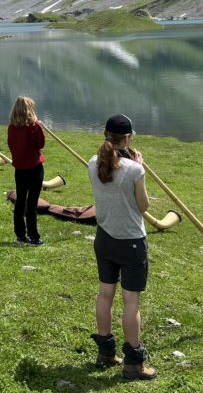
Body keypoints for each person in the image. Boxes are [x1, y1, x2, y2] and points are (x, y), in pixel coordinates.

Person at [87, 114, 156, 381]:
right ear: (127, 139)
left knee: (105, 294)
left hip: (104, 238)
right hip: (131, 242)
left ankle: (105, 353)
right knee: (131, 300)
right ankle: (133, 363)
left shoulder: (93, 163)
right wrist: (139, 168)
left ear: (105, 134)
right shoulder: (134, 170)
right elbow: (144, 206)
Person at [7, 95, 46, 246]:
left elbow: (12, 145)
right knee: (32, 203)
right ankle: (34, 236)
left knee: (20, 201)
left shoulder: (12, 127)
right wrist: (40, 128)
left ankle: (20, 235)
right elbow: (40, 144)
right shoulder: (33, 127)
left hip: (20, 169)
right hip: (34, 168)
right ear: (29, 110)